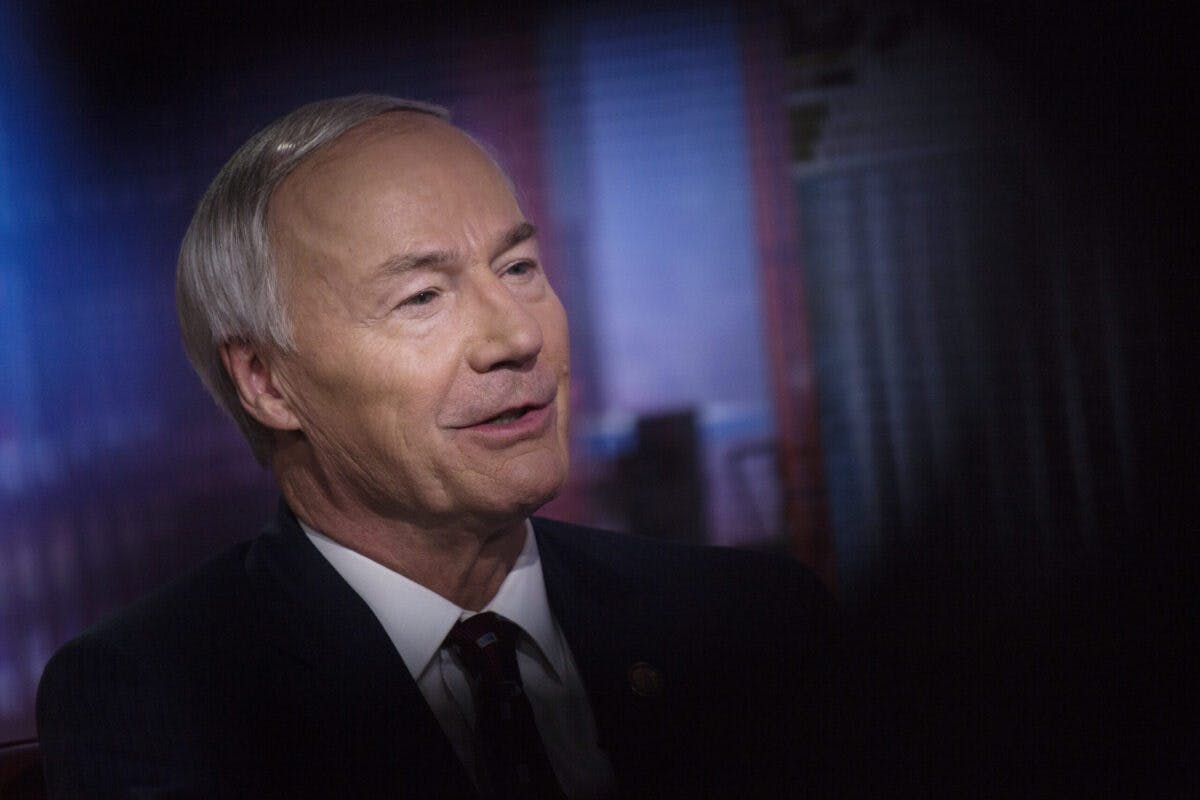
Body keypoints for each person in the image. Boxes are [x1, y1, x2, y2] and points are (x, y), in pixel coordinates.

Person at [36, 95, 840, 799]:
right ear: (268, 382)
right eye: (422, 296)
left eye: (518, 267)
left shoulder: (752, 623)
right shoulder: (158, 693)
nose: (518, 336)